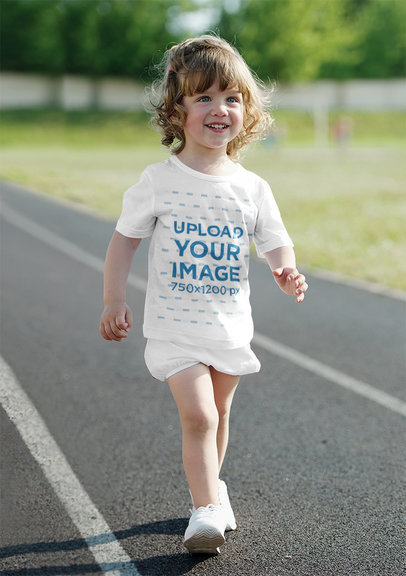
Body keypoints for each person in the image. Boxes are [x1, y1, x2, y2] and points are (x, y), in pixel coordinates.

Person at [100, 35, 308, 555]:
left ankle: (213, 492)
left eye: (232, 98)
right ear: (178, 108)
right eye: (205, 97)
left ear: (248, 110)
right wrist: (113, 300)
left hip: (229, 325)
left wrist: (286, 272)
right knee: (199, 417)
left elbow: (275, 240)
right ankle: (205, 511)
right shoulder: (159, 181)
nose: (220, 109)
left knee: (219, 416)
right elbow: (123, 240)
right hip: (175, 327)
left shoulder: (252, 187)